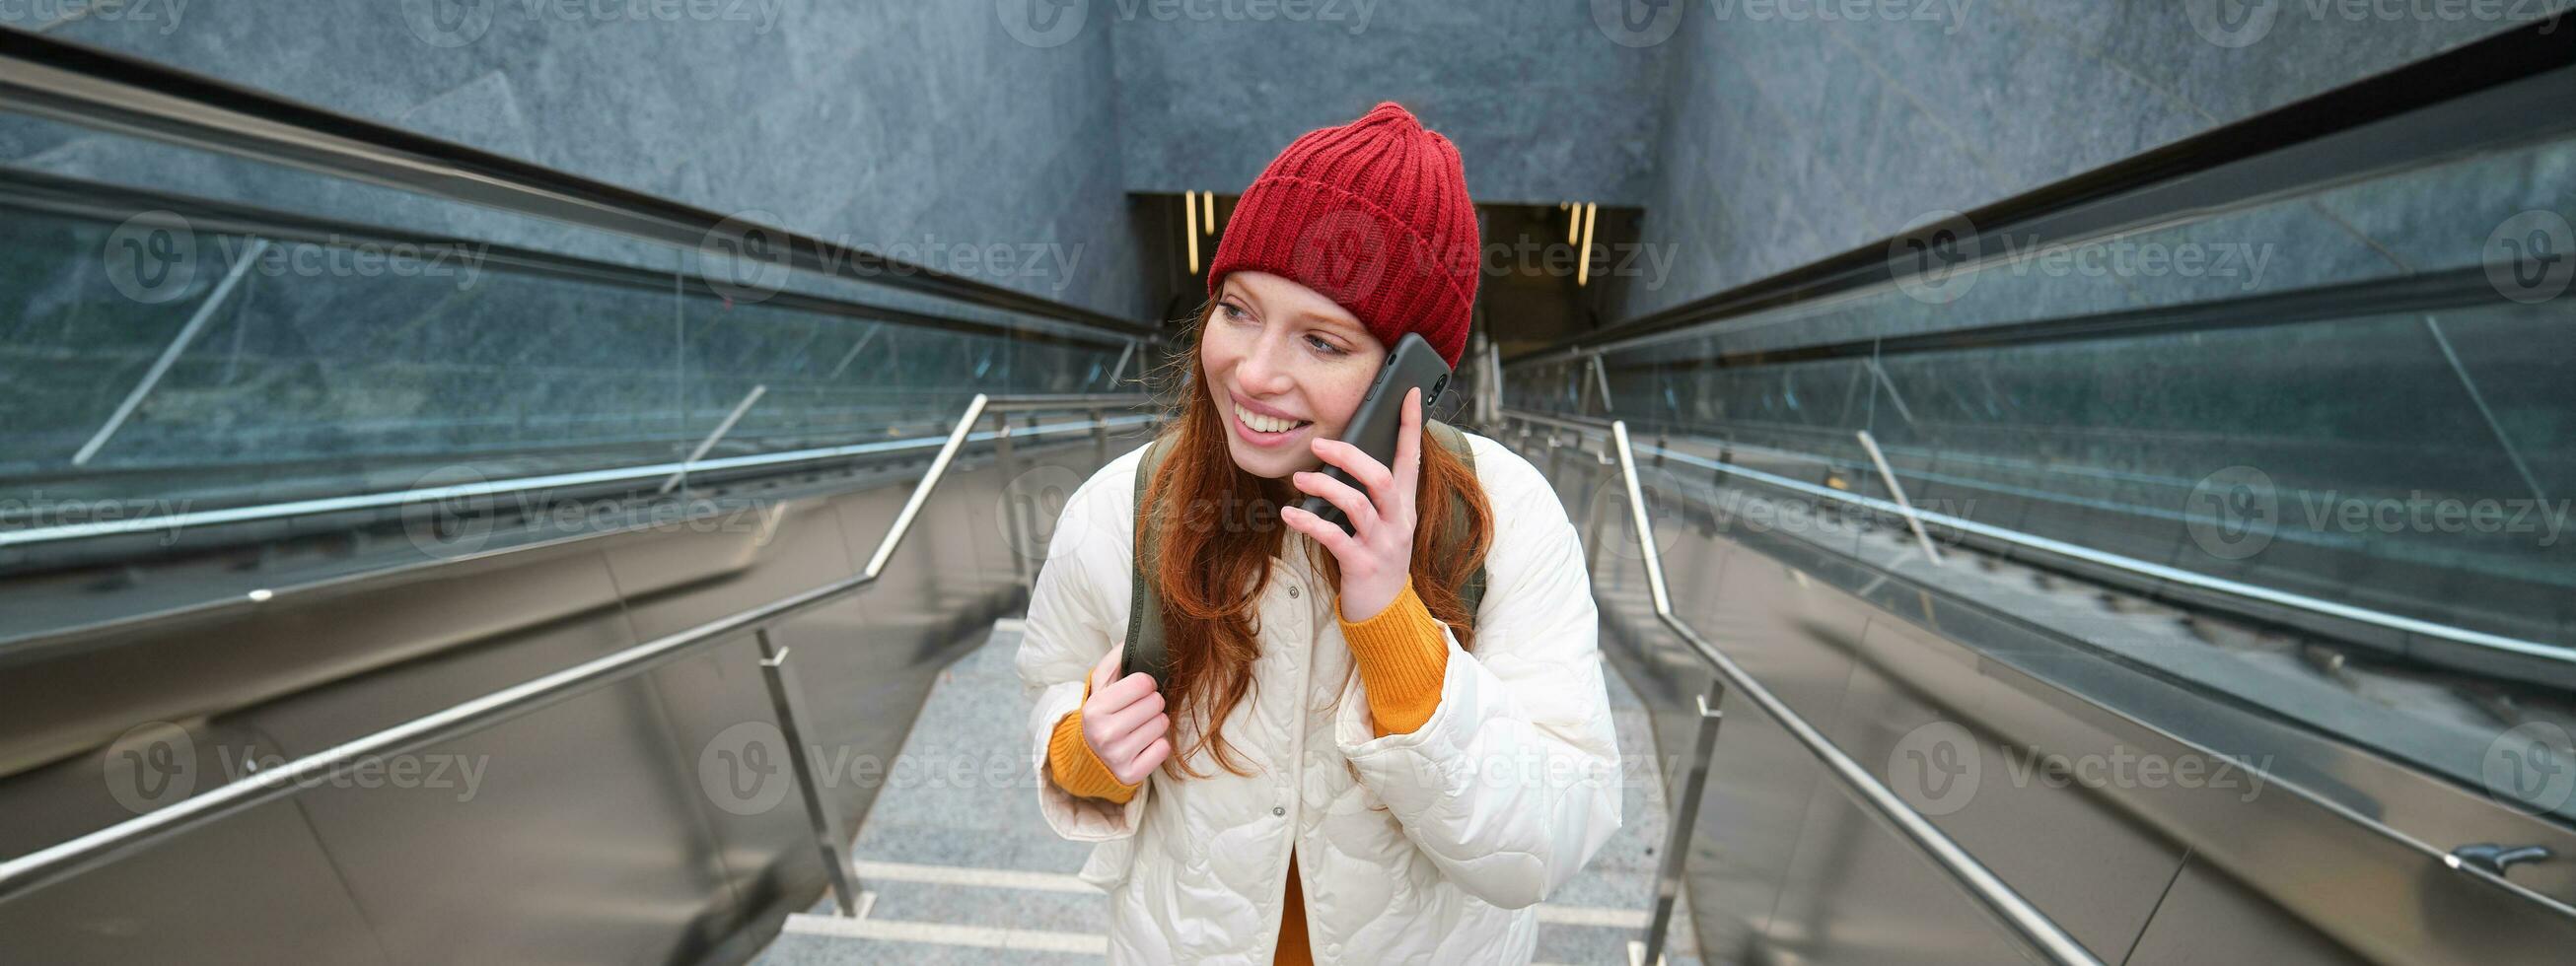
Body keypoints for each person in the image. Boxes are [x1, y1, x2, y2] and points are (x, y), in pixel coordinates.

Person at [1014, 102, 1620, 964]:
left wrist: (1392, 621)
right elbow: (1050, 681)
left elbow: (1551, 834)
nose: (1254, 374)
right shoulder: (1127, 504)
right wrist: (1083, 755)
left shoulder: (1505, 516)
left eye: (1323, 343)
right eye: (1238, 310)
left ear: (1411, 376)